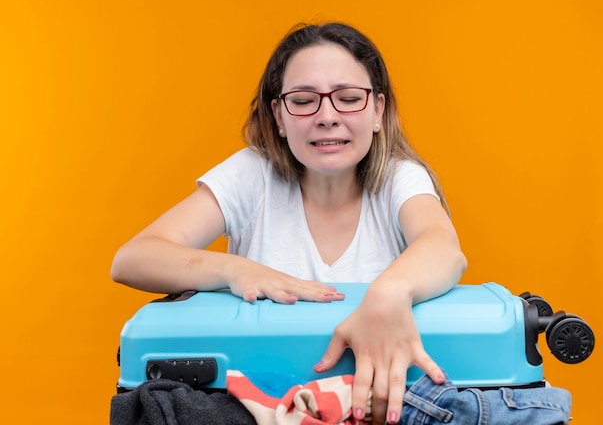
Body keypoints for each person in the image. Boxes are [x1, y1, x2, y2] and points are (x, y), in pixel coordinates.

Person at [111, 22, 467, 425]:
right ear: (279, 115)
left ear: (377, 111)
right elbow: (132, 259)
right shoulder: (252, 175)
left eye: (349, 98)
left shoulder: (399, 178)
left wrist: (388, 293)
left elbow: (443, 246)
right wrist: (235, 269)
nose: (327, 117)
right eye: (303, 101)